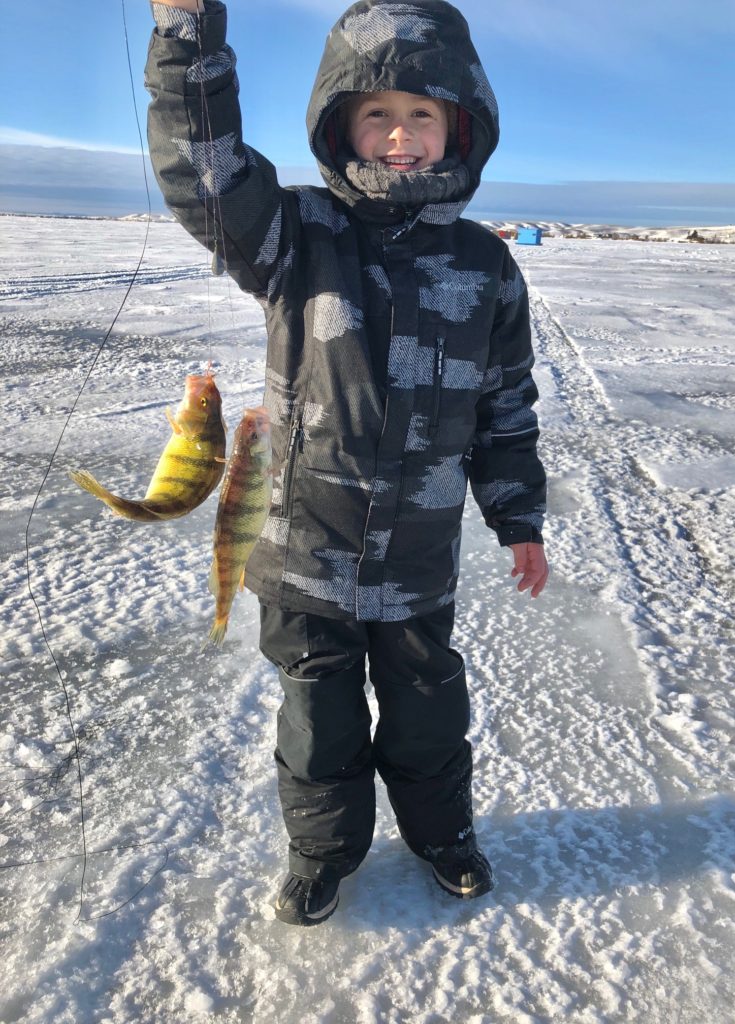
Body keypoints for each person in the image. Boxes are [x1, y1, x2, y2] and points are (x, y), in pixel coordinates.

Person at [146, 0, 548, 926]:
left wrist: (517, 517)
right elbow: (206, 178)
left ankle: (444, 839)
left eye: (422, 114)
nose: (399, 136)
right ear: (339, 123)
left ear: (461, 127)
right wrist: (185, 36)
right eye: (376, 113)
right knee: (318, 726)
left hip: (416, 562)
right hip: (301, 551)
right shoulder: (298, 236)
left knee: (428, 715)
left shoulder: (487, 269)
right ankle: (323, 855)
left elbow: (505, 407)